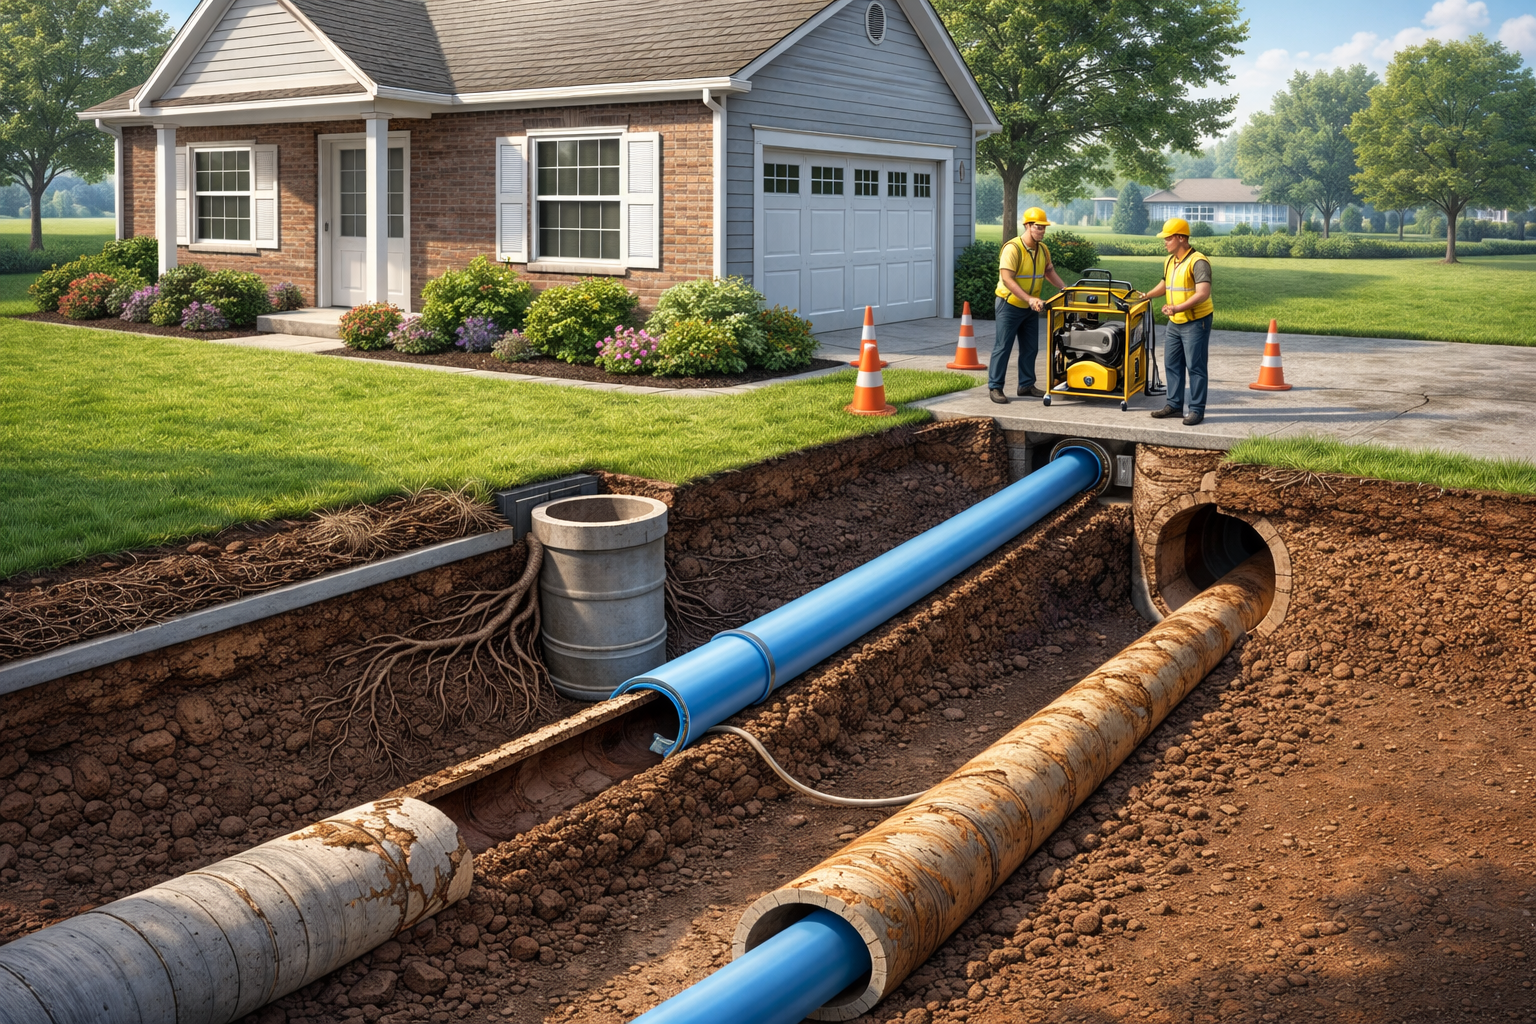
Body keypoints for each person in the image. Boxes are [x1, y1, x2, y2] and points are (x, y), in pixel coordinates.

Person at [989, 207, 1067, 404]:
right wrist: (1029, 298)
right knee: (1003, 347)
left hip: (1031, 306)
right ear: (1027, 226)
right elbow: (1008, 280)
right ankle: (995, 387)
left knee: (1031, 348)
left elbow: (1048, 271)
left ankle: (1026, 385)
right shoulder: (1013, 248)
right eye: (1038, 227)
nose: (1042, 231)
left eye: (1044, 228)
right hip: (1009, 304)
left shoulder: (1043, 249)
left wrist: (1064, 288)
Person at [1139, 217, 1213, 425]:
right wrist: (1147, 295)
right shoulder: (1170, 260)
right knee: (1172, 363)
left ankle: (1197, 410)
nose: (1165, 242)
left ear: (1181, 238)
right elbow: (1165, 284)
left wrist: (1177, 308)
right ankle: (1174, 406)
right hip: (1175, 321)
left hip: (1195, 321)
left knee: (1195, 366)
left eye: (1168, 238)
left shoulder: (1198, 261)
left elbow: (1203, 293)